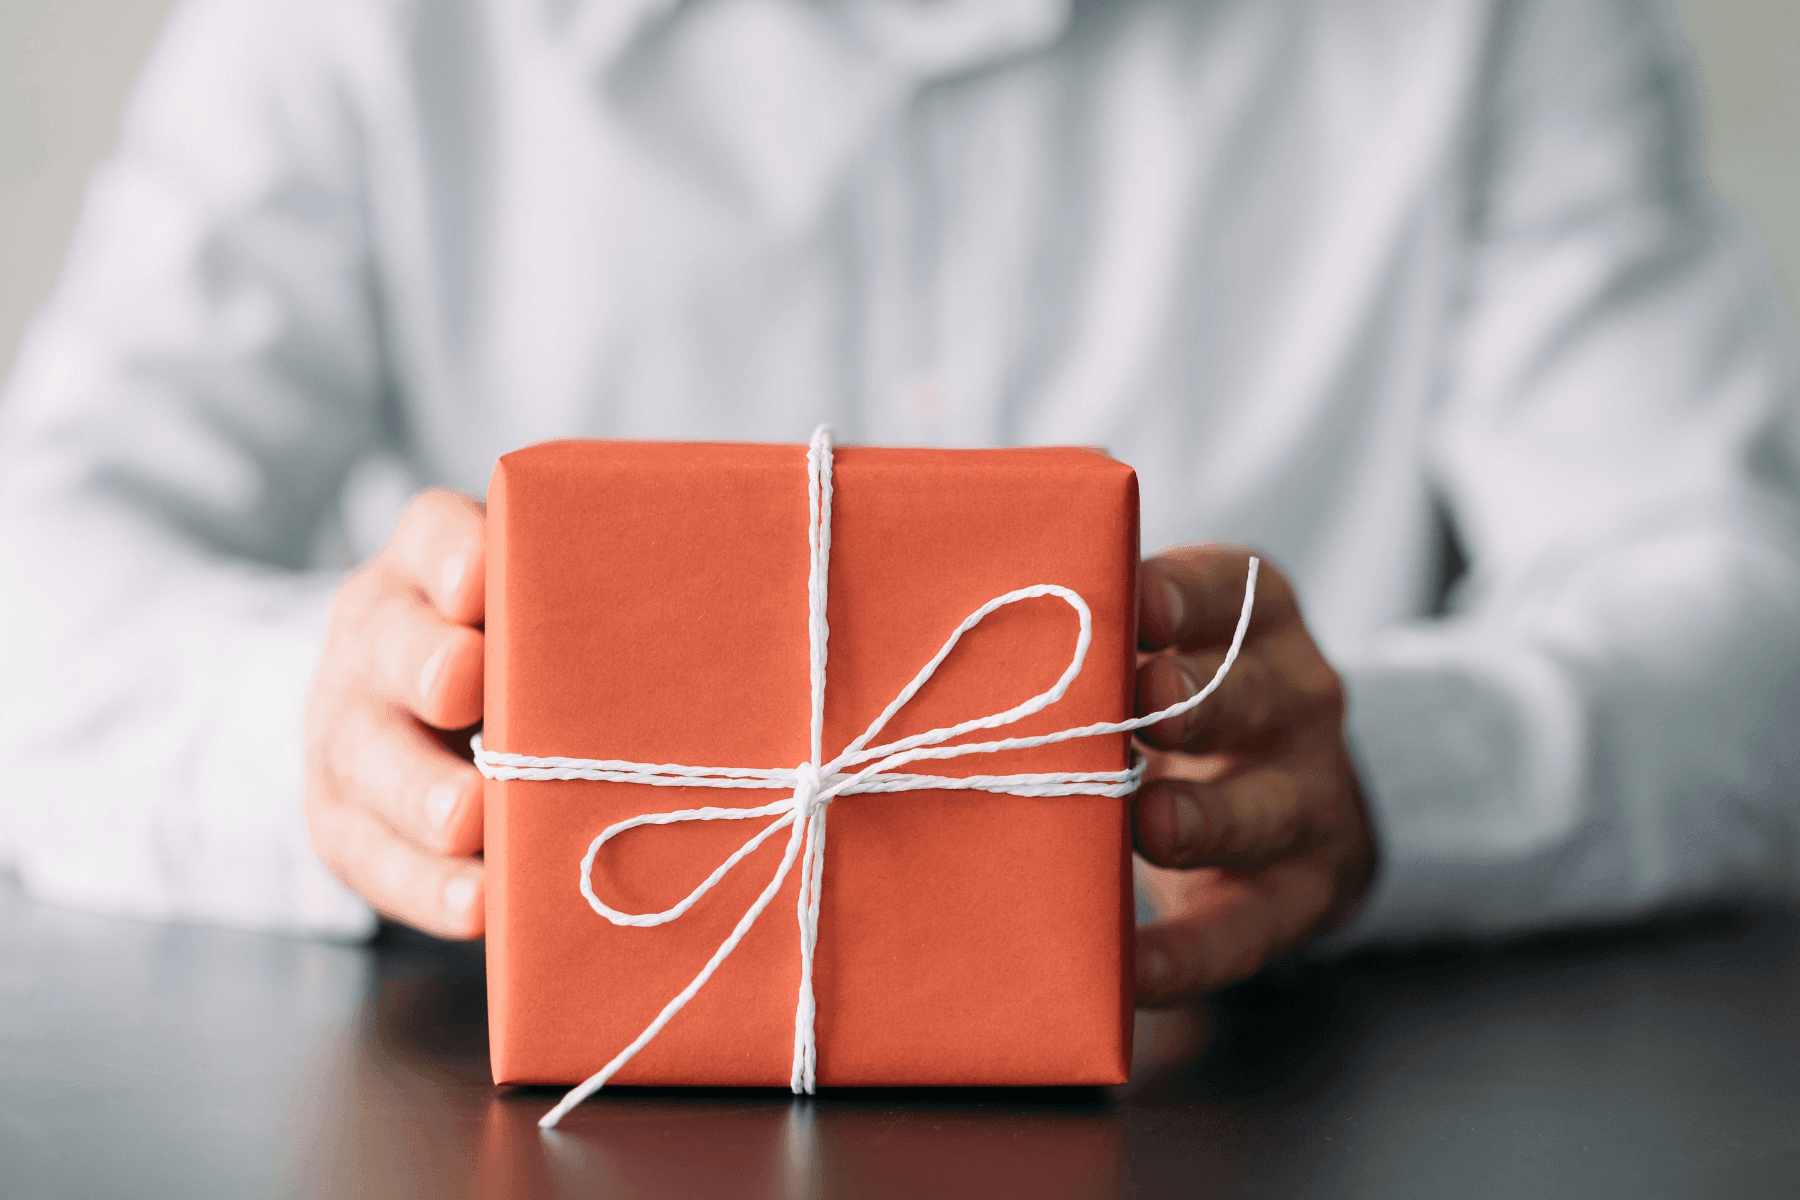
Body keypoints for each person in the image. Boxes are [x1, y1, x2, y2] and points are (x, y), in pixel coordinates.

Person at [1, 0, 1797, 1008]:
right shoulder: (344, 28)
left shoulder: (1495, 26)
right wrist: (334, 745)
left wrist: (1387, 770)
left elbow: (1746, 628)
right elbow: (43, 573)